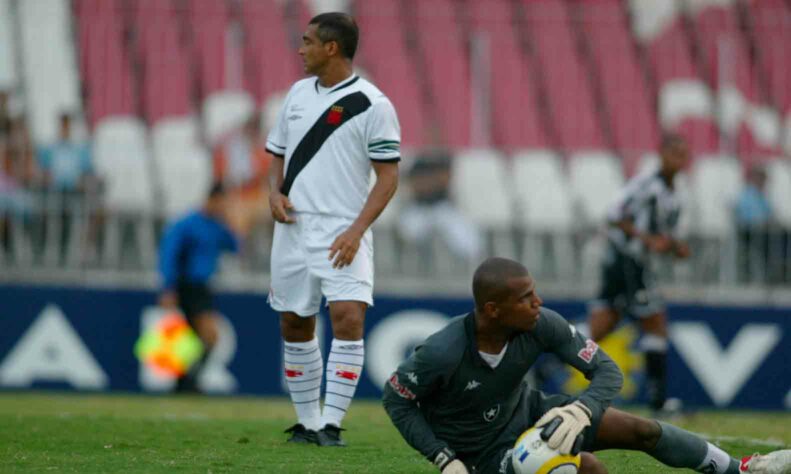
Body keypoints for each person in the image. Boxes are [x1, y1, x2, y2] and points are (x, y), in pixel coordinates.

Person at [382, 257, 791, 474]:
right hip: (479, 455)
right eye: (526, 297)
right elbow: (396, 400)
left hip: (532, 413)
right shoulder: (443, 351)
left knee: (643, 429)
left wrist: (581, 408)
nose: (538, 302)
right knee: (588, 468)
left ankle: (740, 470)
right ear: (493, 309)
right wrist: (443, 458)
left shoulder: (542, 324)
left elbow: (607, 371)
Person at [266, 12, 400, 447]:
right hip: (293, 226)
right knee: (294, 321)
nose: (299, 49)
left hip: (344, 229)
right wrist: (273, 192)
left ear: (332, 48)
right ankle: (307, 423)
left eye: (307, 41)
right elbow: (277, 154)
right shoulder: (297, 94)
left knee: (347, 318)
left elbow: (388, 177)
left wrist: (357, 230)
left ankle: (331, 424)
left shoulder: (372, 104)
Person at [587, 133, 691, 416]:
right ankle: (658, 401)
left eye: (684, 155)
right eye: (674, 153)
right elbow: (614, 214)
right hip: (626, 260)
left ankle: (543, 368)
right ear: (662, 154)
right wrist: (647, 240)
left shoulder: (674, 194)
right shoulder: (647, 184)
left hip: (635, 263)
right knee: (655, 322)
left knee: (603, 325)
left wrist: (674, 247)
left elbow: (661, 236)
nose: (679, 160)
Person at [157, 182, 239, 393]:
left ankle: (184, 383)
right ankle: (188, 382)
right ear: (211, 200)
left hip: (204, 287)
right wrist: (168, 287)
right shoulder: (187, 224)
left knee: (198, 338)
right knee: (210, 335)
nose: (223, 207)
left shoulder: (217, 226)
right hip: (188, 285)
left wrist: (229, 223)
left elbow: (234, 246)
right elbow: (169, 254)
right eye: (221, 203)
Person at [398, 150, 481, 269]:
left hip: (443, 207)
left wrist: (430, 182)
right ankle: (416, 267)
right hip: (418, 208)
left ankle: (470, 268)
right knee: (409, 231)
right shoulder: (417, 159)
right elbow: (414, 183)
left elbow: (445, 179)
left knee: (468, 239)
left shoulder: (444, 157)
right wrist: (430, 182)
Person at [212, 113, 272, 239]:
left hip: (258, 195)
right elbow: (223, 179)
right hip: (236, 198)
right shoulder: (231, 148)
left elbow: (266, 176)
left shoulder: (263, 148)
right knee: (238, 216)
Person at [734, 165, 773, 283]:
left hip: (763, 233)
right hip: (748, 233)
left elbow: (770, 215)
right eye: (761, 178)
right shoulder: (745, 195)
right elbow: (745, 218)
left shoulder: (763, 197)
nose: (763, 182)